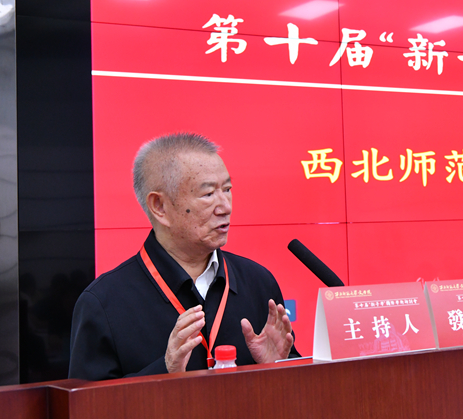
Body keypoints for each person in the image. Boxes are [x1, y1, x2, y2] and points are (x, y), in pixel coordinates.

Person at [69, 133, 298, 380]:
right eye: (208, 194)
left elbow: (296, 390)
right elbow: (88, 401)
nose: (226, 207)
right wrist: (165, 370)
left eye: (227, 189)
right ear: (160, 207)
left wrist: (276, 368)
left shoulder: (258, 282)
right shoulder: (103, 303)